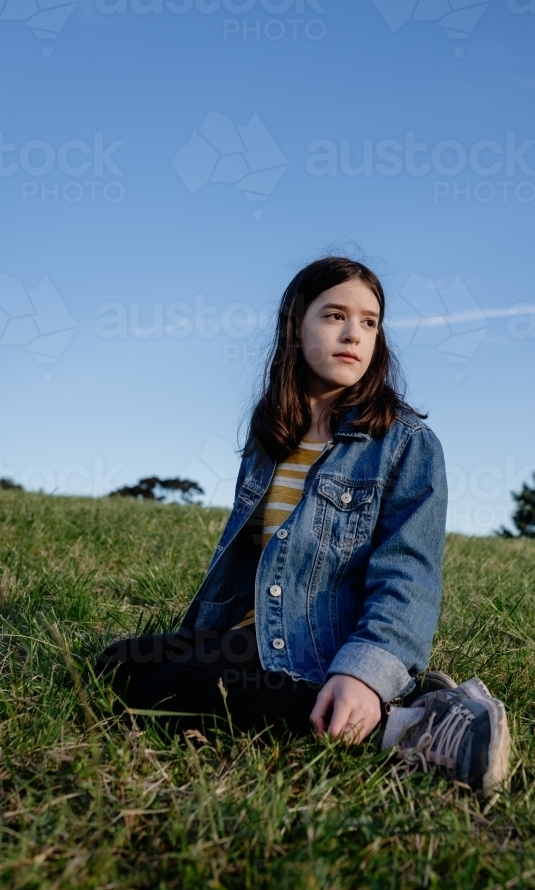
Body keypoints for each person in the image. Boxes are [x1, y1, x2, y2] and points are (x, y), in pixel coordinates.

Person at [97, 256, 510, 798]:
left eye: (369, 322)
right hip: (253, 631)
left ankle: (407, 725)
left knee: (173, 689)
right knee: (116, 667)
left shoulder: (406, 444)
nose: (353, 334)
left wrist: (363, 672)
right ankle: (387, 705)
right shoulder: (273, 431)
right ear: (295, 326)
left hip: (323, 644)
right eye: (334, 315)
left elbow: (408, 576)